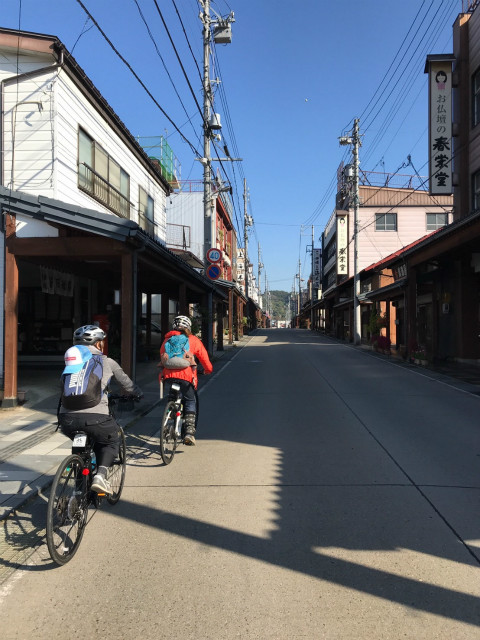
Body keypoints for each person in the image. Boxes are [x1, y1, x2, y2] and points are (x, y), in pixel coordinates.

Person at [58, 324, 142, 495]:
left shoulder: (70, 363)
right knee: (111, 440)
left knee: (82, 449)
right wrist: (138, 393)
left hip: (66, 419)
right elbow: (126, 383)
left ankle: (78, 488)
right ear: (98, 344)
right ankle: (100, 475)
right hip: (97, 417)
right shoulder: (106, 361)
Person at [159, 315, 213, 446]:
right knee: (190, 400)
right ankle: (189, 432)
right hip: (186, 376)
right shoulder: (193, 339)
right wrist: (208, 370)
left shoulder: (167, 339)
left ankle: (170, 412)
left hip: (169, 375)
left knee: (172, 395)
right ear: (188, 327)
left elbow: (162, 356)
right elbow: (204, 357)